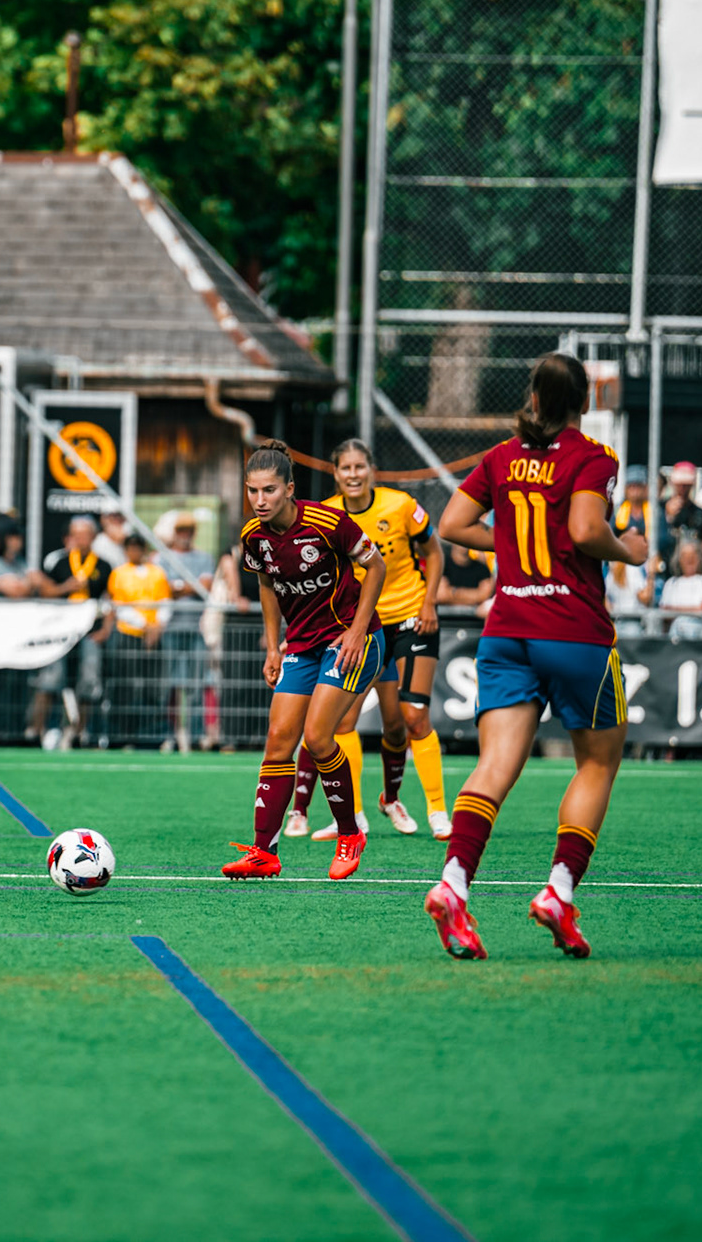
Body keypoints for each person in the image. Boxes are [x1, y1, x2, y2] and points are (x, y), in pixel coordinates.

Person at [424, 353, 646, 961]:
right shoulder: (592, 457)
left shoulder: (501, 456)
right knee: (596, 767)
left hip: (508, 629)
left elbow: (451, 522)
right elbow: (582, 530)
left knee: (494, 767)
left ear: (534, 396)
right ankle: (558, 891)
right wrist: (628, 550)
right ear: (583, 401)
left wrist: (512, 550)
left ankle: (453, 883)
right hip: (574, 631)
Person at [220, 443, 389, 882]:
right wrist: (273, 647)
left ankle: (350, 834)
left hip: (354, 639)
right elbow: (266, 586)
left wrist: (357, 629)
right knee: (278, 740)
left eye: (269, 490)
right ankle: (264, 852)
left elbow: (378, 567)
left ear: (290, 489)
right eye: (252, 490)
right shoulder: (252, 538)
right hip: (301, 647)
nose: (259, 500)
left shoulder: (327, 522)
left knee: (317, 736)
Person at [317, 438, 451, 843]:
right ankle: (356, 814)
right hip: (363, 629)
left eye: (360, 466)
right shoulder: (326, 514)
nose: (353, 474)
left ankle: (437, 811)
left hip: (411, 619)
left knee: (410, 720)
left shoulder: (401, 505)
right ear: (336, 474)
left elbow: (435, 551)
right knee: (344, 721)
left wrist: (429, 602)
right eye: (346, 468)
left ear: (371, 469)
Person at [27, 516, 112, 748]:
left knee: (89, 679)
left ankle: (80, 733)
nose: (81, 539)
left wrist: (105, 629)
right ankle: (36, 730)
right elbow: (45, 592)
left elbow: (110, 600)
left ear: (93, 537)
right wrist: (66, 587)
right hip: (61, 629)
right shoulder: (58, 562)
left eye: (85, 535)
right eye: (77, 534)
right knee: (50, 677)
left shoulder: (103, 565)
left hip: (89, 630)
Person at [157, 513, 216, 754]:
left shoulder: (204, 557)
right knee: (168, 685)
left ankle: (193, 735)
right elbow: (163, 588)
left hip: (195, 627)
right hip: (169, 627)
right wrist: (188, 586)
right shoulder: (162, 558)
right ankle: (168, 734)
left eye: (189, 530)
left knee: (195, 684)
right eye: (181, 530)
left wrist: (179, 586)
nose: (185, 535)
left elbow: (205, 587)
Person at [107, 532, 173, 749]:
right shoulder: (119, 573)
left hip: (154, 636)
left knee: (152, 688)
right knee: (126, 687)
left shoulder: (156, 573)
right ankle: (122, 735)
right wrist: (145, 626)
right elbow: (120, 606)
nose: (135, 551)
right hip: (130, 635)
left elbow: (165, 601)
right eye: (131, 547)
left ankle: (149, 735)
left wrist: (157, 626)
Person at [660, 540, 702, 639]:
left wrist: (674, 610)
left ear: (699, 558)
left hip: (701, 635)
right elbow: (664, 614)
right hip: (677, 636)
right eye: (685, 556)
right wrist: (693, 609)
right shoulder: (671, 583)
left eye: (693, 555)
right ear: (679, 559)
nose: (689, 559)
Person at [659, 462, 702, 574]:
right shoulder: (660, 508)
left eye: (686, 485)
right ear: (672, 483)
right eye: (679, 484)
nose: (682, 488)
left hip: (692, 571)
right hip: (666, 568)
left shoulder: (701, 513)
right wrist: (667, 516)